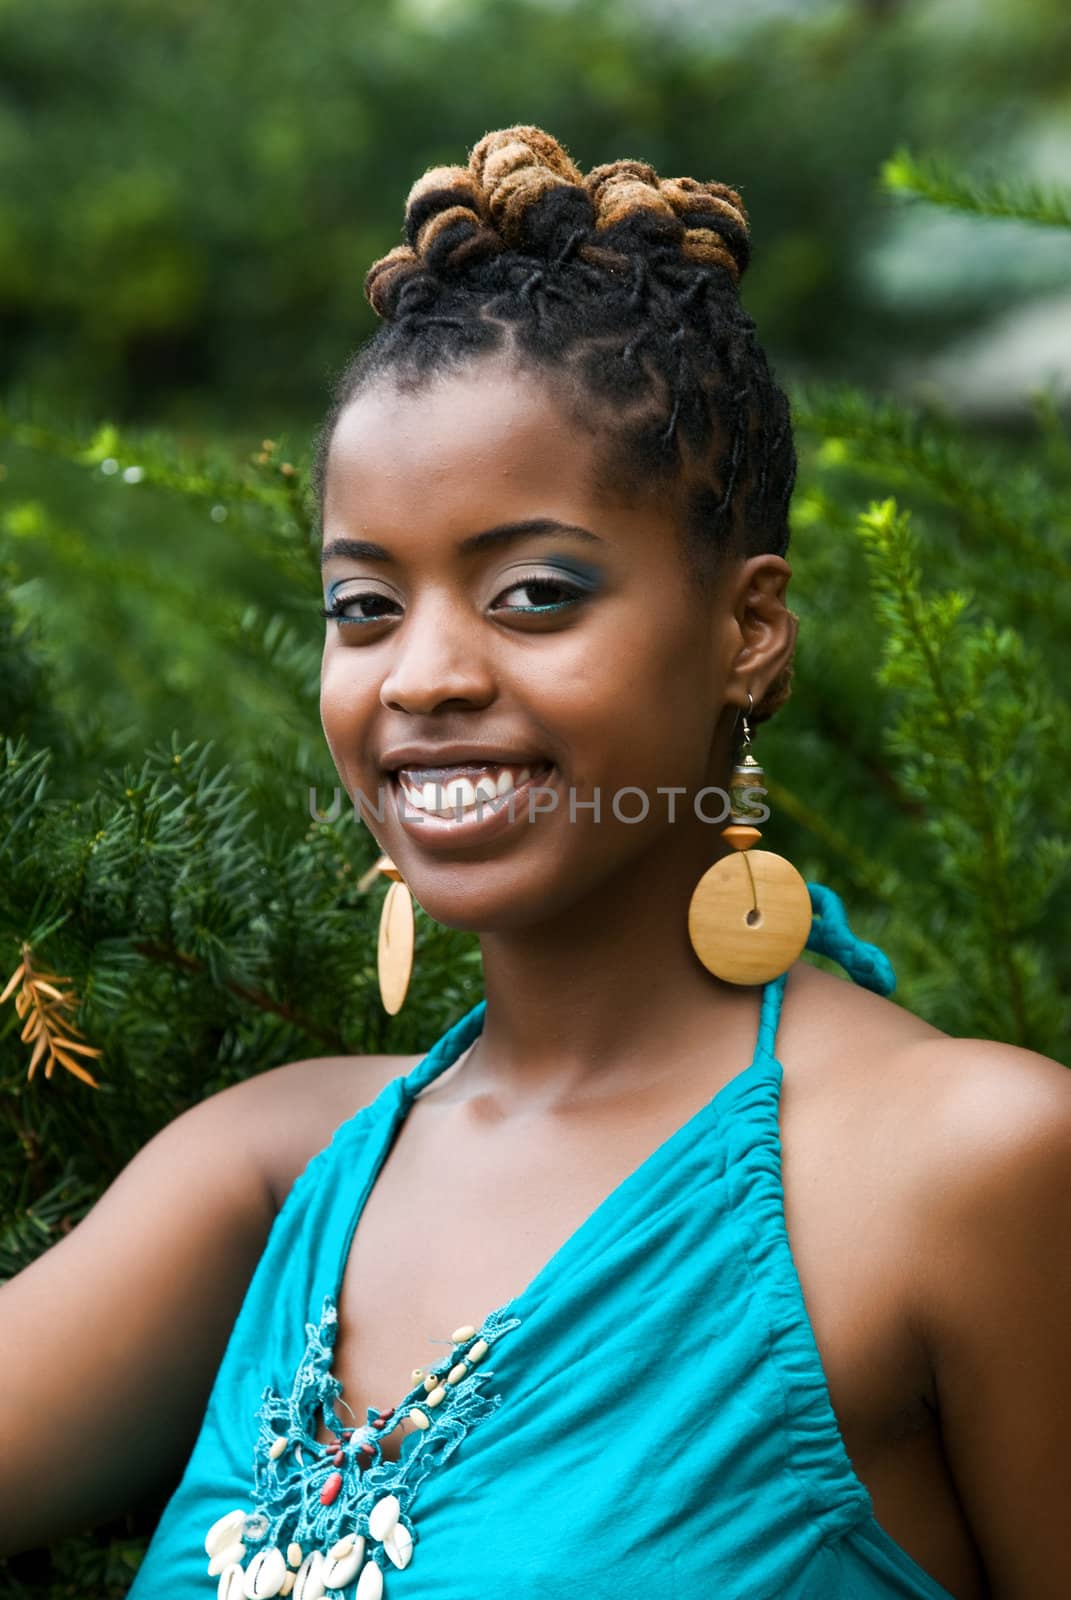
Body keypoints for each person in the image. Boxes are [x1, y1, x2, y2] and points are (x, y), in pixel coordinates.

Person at [2, 124, 1069, 1600]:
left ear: (747, 631)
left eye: (535, 593)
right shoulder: (272, 1169)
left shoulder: (963, 1167)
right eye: (362, 607)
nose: (421, 676)